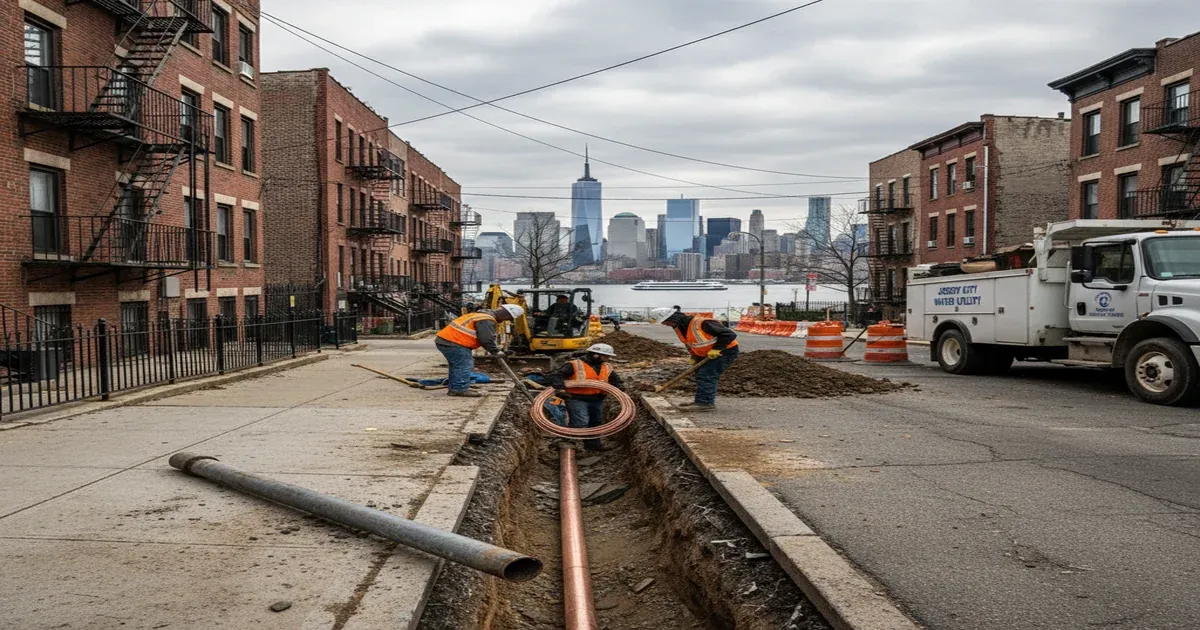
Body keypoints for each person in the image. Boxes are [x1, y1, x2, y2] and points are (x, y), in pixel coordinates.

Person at [650, 306, 740, 412]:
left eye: (664, 322)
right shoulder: (679, 327)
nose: (664, 324)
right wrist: (694, 356)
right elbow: (691, 343)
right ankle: (700, 400)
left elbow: (729, 334)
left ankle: (705, 404)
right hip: (705, 353)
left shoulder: (702, 323)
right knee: (700, 373)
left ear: (671, 318)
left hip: (725, 351)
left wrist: (717, 349)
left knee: (707, 374)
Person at [434, 304, 524, 397]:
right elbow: (486, 339)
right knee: (464, 364)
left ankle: (456, 386)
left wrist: (496, 349)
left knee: (457, 365)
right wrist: (495, 351)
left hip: (447, 340)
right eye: (508, 318)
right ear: (506, 314)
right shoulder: (486, 319)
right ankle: (459, 388)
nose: (504, 321)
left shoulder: (480, 315)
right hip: (454, 342)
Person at [548, 343, 624, 450]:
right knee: (581, 422)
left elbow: (615, 380)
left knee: (595, 422)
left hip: (597, 399)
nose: (607, 359)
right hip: (576, 398)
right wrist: (561, 389)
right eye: (605, 356)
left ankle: (593, 446)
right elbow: (556, 375)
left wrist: (619, 387)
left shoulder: (606, 367)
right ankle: (568, 442)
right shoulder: (574, 365)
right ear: (596, 355)